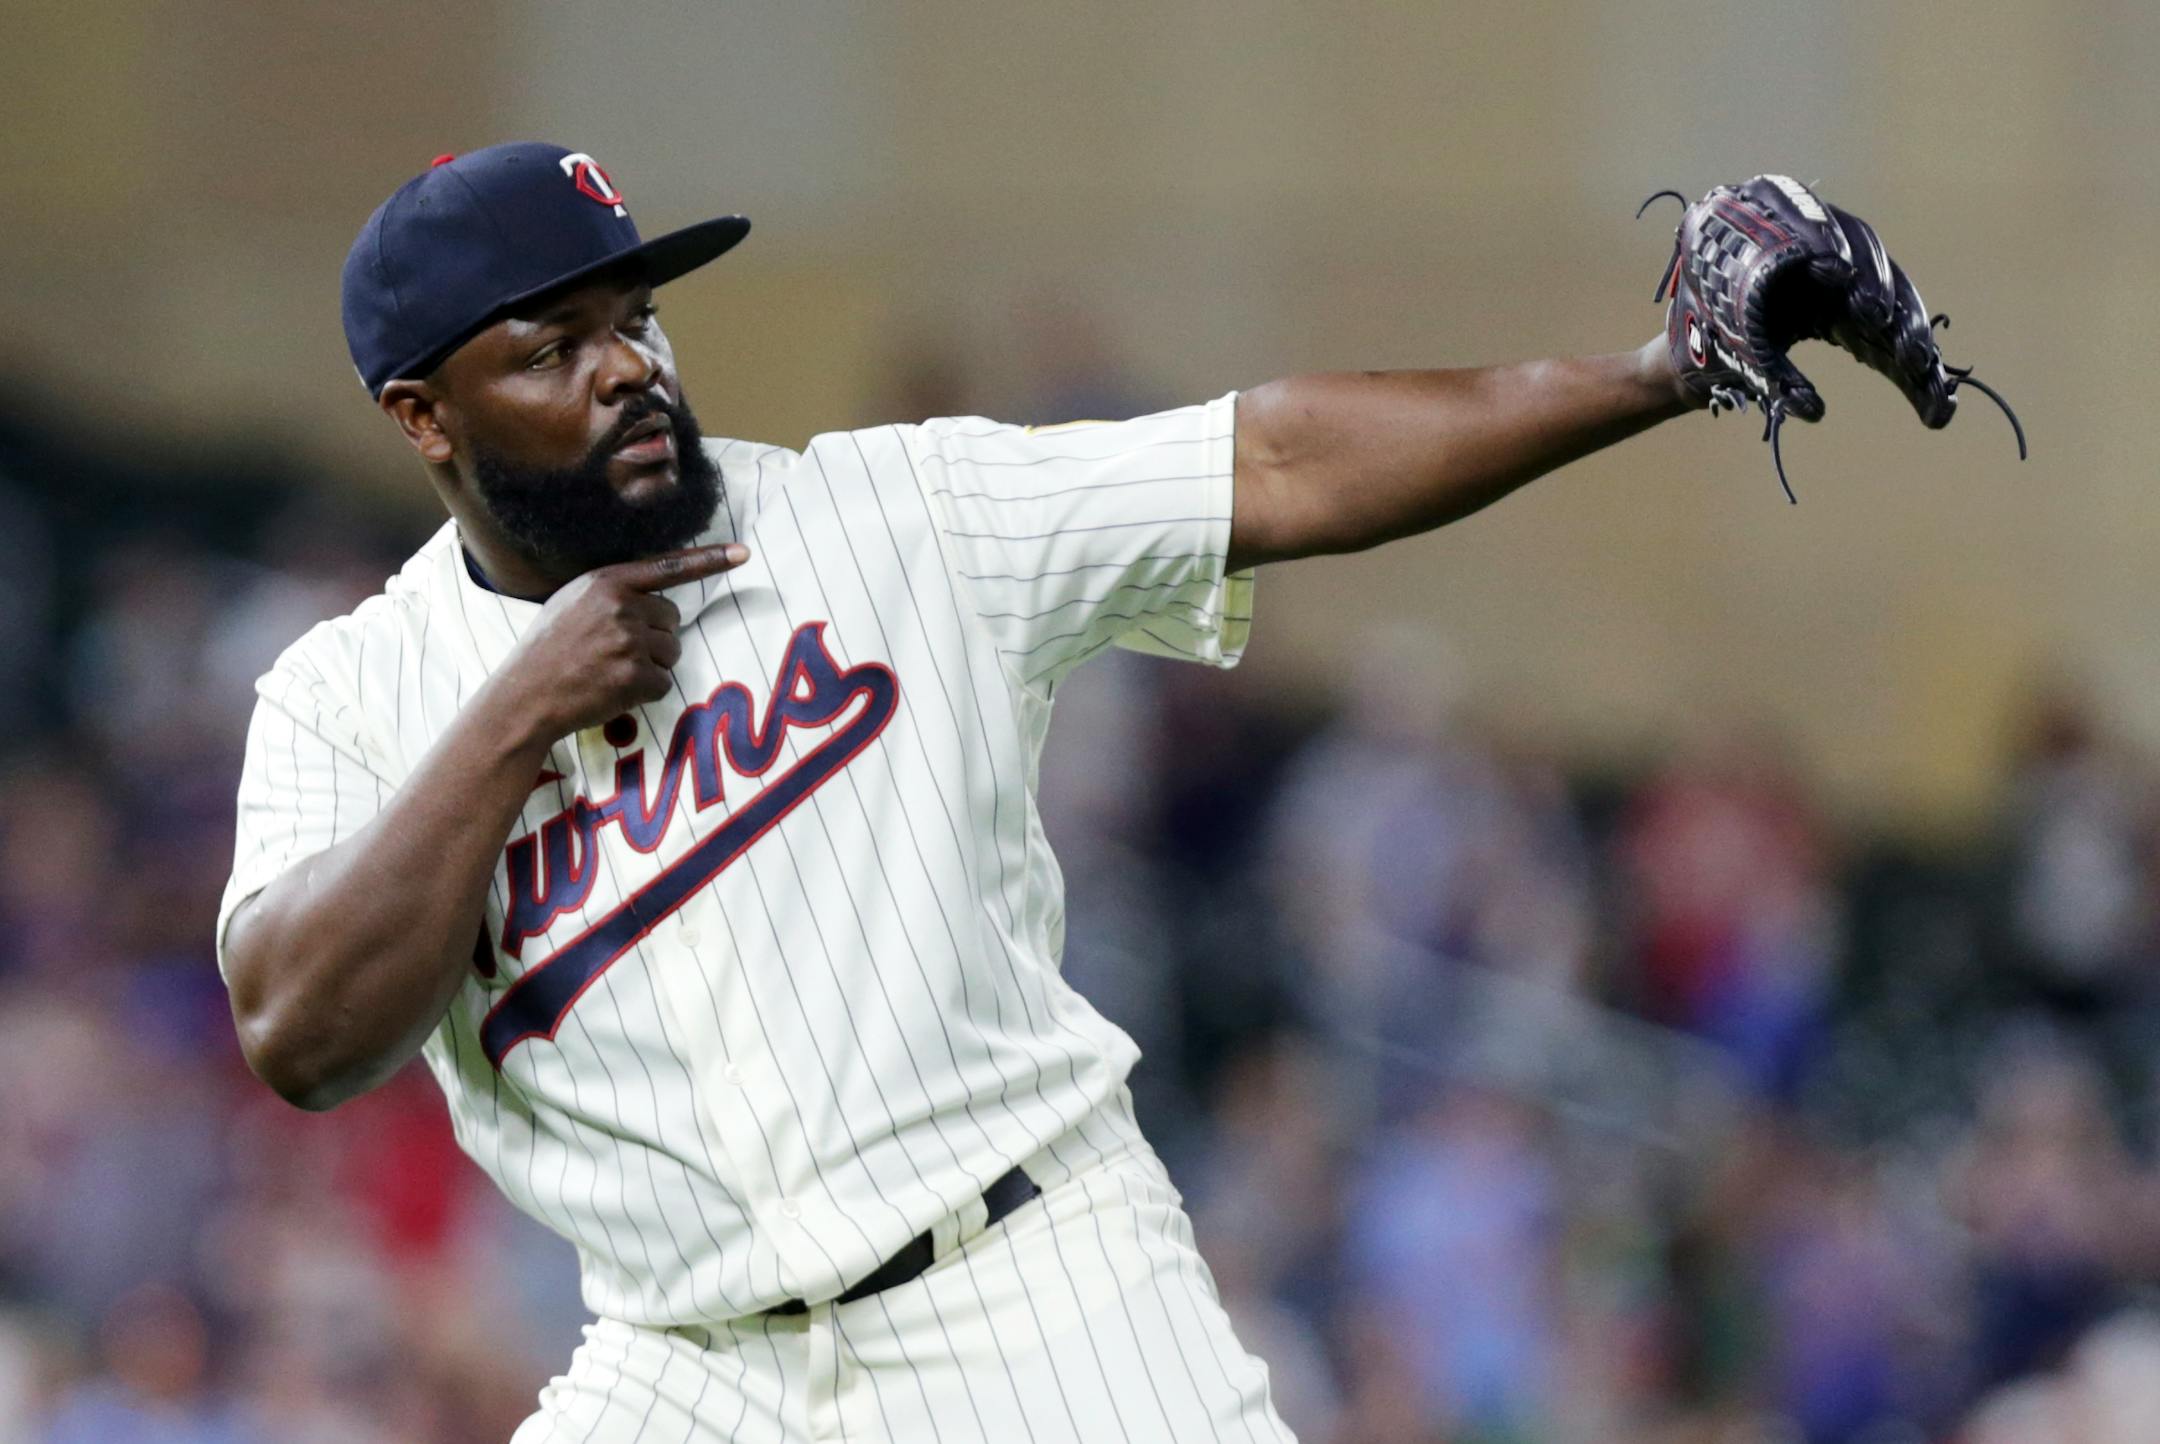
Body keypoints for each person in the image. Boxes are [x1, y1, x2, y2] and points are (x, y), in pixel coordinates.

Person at [215, 143, 1879, 1441]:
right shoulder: (350, 701)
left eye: (636, 317)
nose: (628, 369)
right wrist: (519, 715)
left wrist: (1656, 367)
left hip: (1027, 1287)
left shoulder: (892, 518)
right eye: (555, 347)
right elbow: (300, 1032)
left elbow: (1272, 460)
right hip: (685, 1360)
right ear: (423, 416)